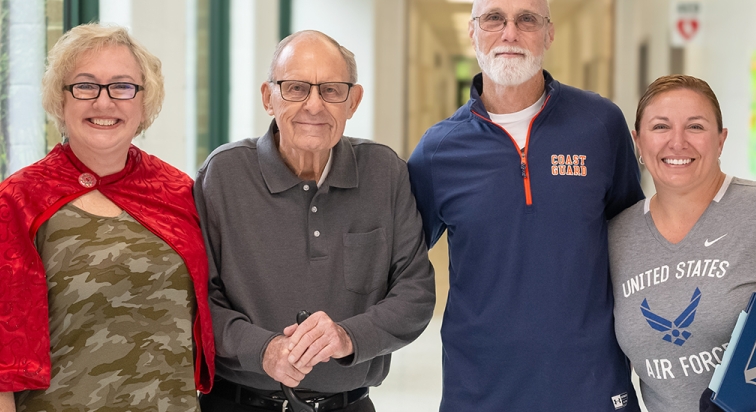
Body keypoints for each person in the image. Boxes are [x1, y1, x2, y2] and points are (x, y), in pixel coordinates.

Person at [407, 0, 643, 411]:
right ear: (472, 32)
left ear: (549, 33)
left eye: (527, 19)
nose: (510, 33)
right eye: (494, 18)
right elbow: (397, 259)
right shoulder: (439, 151)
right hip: (480, 394)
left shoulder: (600, 125)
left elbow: (635, 241)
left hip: (592, 390)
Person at [194, 30, 436, 412]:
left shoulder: (385, 172)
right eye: (295, 88)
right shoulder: (223, 175)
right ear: (267, 98)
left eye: (331, 90)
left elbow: (415, 293)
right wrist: (263, 350)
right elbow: (199, 299)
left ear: (353, 101)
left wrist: (346, 336)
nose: (313, 105)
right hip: (238, 404)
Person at [0, 23, 215, 412]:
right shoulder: (20, 199)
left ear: (143, 102)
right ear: (60, 100)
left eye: (122, 86)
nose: (104, 102)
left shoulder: (179, 191)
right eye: (85, 86)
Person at [609, 74, 756, 412]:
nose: (678, 142)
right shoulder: (617, 237)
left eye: (695, 127)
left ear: (721, 139)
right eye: (660, 127)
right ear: (638, 142)